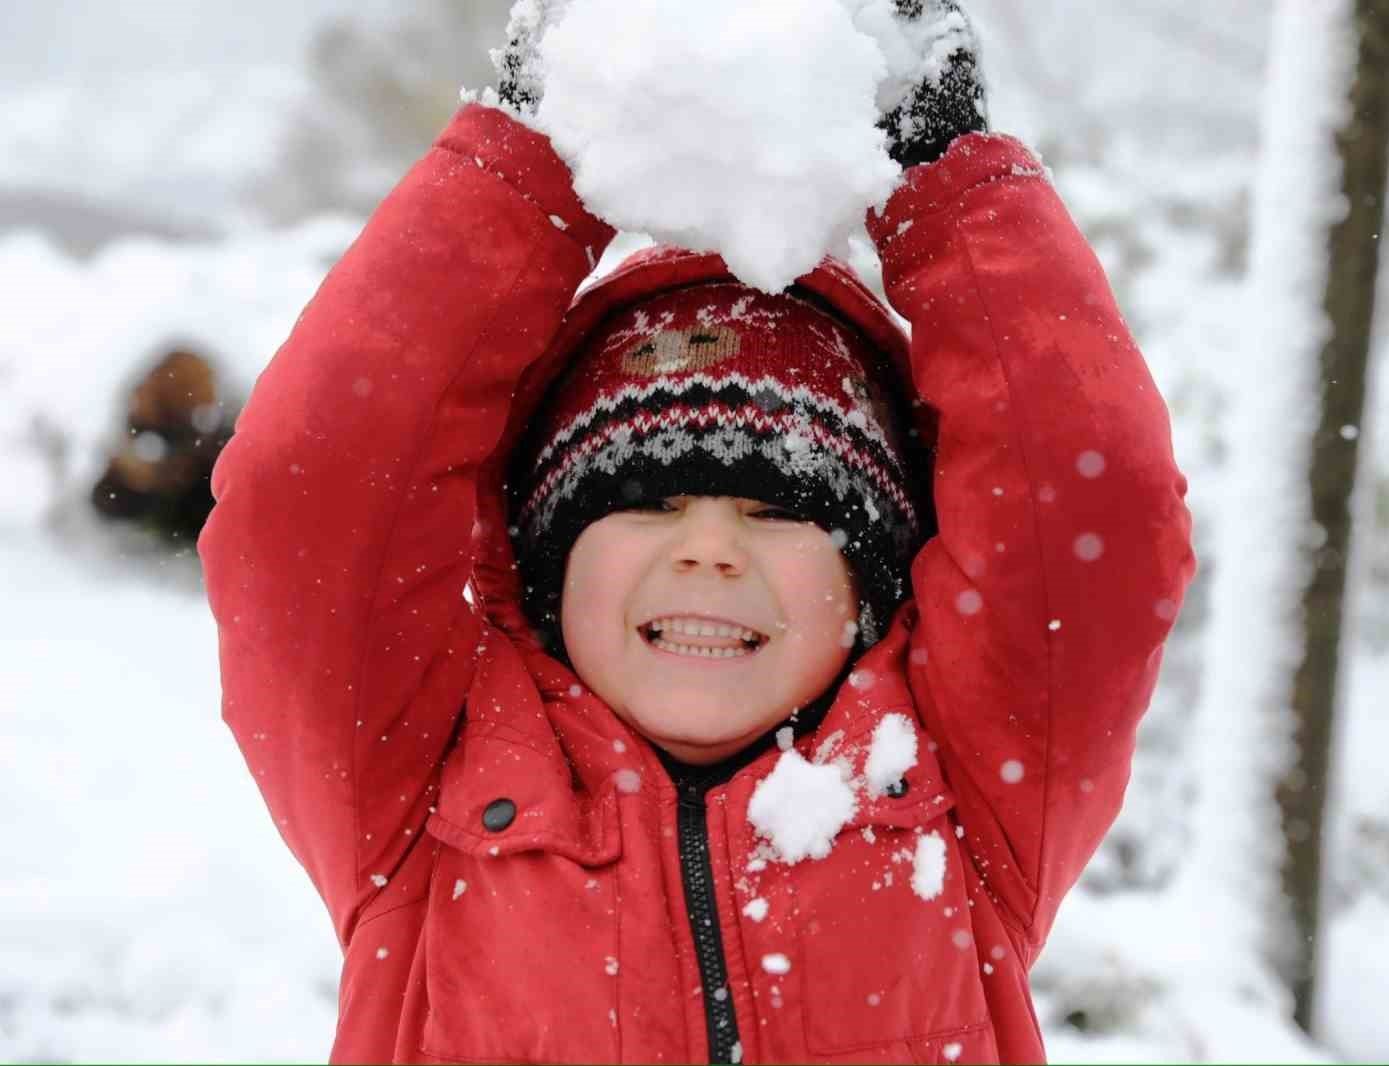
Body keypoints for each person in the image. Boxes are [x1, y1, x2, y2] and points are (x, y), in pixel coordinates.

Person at [199, 2, 1195, 1062]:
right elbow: (313, 499)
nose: (710, 550)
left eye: (780, 510)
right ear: (547, 562)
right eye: (646, 503)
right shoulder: (416, 797)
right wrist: (530, 164)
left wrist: (947, 182)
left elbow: (1087, 510)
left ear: (869, 584)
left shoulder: (966, 791)